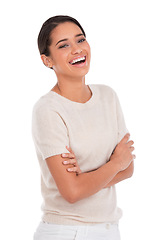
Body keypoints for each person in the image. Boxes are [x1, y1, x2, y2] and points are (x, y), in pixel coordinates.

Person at [32, 15, 135, 240]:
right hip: (67, 232)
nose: (77, 49)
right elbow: (72, 192)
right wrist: (114, 162)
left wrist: (85, 177)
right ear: (47, 60)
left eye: (80, 40)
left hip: (109, 230)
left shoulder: (108, 96)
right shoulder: (48, 110)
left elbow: (129, 168)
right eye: (64, 45)